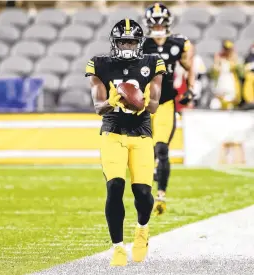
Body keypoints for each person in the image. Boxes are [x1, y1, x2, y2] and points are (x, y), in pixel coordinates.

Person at [85, 19, 166, 266]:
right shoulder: (99, 64)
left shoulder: (152, 63)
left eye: (131, 41)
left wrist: (139, 100)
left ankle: (142, 229)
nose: (128, 46)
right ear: (115, 43)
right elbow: (99, 108)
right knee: (115, 187)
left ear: (139, 43)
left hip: (141, 132)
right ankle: (118, 248)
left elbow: (154, 106)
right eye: (123, 41)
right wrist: (114, 100)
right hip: (113, 132)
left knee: (142, 192)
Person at [142, 2, 195, 216]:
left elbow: (190, 67)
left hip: (165, 103)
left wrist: (191, 88)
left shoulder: (179, 44)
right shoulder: (141, 45)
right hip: (144, 105)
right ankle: (146, 187)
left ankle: (161, 195)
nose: (158, 27)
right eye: (154, 23)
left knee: (162, 149)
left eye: (161, 23)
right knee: (144, 150)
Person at [209, 40, 242, 110]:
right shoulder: (219, 59)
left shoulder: (235, 61)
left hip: (230, 87)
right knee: (215, 104)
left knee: (229, 105)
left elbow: (240, 72)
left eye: (229, 49)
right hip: (220, 86)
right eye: (226, 49)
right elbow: (213, 72)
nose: (227, 51)